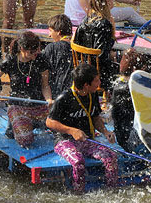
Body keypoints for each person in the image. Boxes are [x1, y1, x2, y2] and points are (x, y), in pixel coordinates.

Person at [46, 63, 118, 193]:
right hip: (64, 141)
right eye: (96, 81)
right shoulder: (64, 98)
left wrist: (105, 131)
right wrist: (71, 130)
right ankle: (78, 194)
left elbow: (95, 117)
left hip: (87, 140)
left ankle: (111, 191)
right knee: (78, 162)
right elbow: (49, 122)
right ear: (86, 85)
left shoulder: (93, 95)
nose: (99, 83)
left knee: (111, 157)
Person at [0, 31, 53, 147]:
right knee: (25, 140)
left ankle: (30, 125)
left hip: (38, 106)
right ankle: (20, 127)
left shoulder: (41, 60)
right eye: (32, 51)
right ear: (22, 48)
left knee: (59, 129)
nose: (36, 53)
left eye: (38, 49)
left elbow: (45, 86)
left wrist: (49, 100)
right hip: (17, 107)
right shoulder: (10, 61)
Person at [111, 45, 151, 152]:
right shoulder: (129, 87)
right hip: (129, 141)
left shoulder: (119, 82)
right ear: (135, 70)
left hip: (123, 135)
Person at [73, 0, 116, 92]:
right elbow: (101, 55)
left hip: (82, 69)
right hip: (97, 72)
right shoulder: (105, 24)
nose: (113, 1)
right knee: (122, 68)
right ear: (107, 2)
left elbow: (76, 42)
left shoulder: (86, 20)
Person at [43, 14, 73, 98]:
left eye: (50, 31)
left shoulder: (51, 47)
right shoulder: (78, 47)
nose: (49, 35)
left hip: (56, 93)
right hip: (75, 92)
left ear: (59, 32)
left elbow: (43, 71)